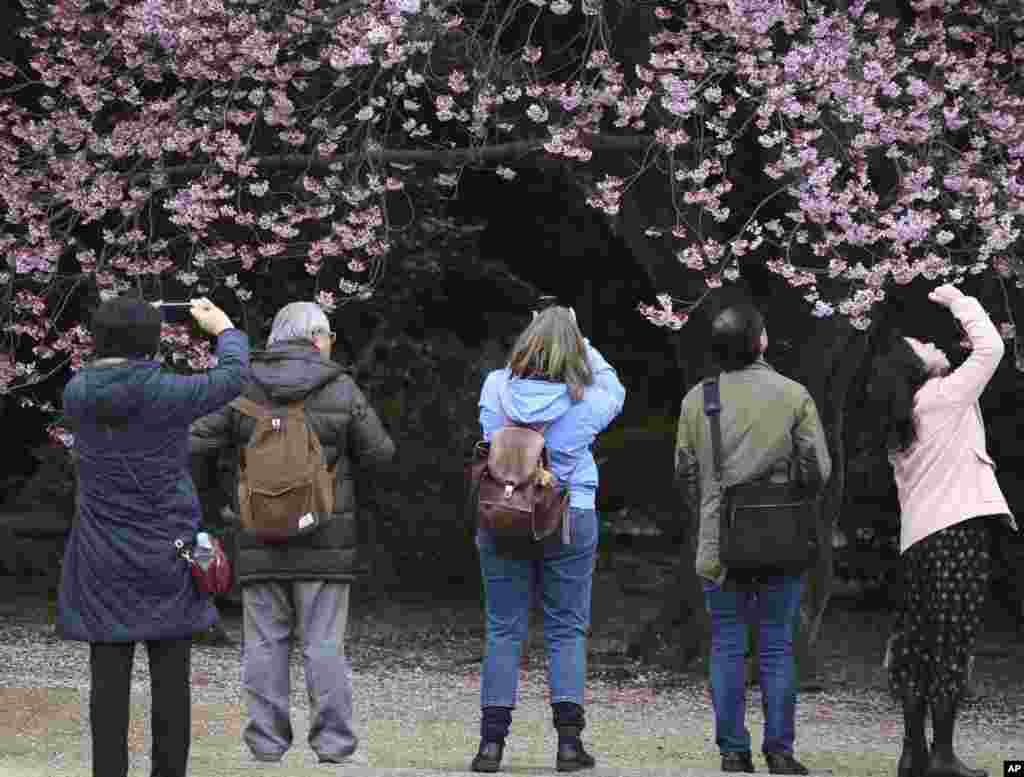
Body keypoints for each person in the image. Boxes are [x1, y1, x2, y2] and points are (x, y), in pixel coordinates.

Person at [189, 301, 395, 766]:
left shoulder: (244, 384)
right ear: (320, 339)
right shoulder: (340, 386)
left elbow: (195, 439)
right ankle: (334, 745)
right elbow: (381, 453)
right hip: (326, 539)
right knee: (324, 646)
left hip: (259, 536)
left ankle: (265, 744)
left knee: (263, 644)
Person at [57, 295, 249, 777]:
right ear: (150, 340)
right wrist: (224, 328)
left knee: (107, 681)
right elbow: (231, 377)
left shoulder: (77, 392)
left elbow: (121, 352)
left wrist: (143, 317)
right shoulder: (168, 392)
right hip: (169, 551)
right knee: (170, 680)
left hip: (100, 555)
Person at [674, 303, 831, 775]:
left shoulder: (697, 399)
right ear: (761, 342)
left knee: (726, 644)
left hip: (718, 540)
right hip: (781, 537)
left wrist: (709, 507)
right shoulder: (793, 394)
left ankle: (733, 752)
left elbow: (684, 472)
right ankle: (780, 752)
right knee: (778, 644)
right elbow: (818, 469)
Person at [870, 284, 1017, 777]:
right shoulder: (942, 398)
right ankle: (944, 756)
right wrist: (959, 301)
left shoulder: (904, 417)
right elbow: (992, 348)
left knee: (916, 643)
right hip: (957, 535)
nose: (933, 346)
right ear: (914, 367)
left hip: (918, 542)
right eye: (922, 347)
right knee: (951, 643)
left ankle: (913, 752)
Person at [471, 305, 625, 773]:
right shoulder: (586, 397)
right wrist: (580, 337)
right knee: (566, 626)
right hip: (569, 514)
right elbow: (615, 388)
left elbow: (488, 435)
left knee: (503, 627)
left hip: (503, 512)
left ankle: (491, 746)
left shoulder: (497, 386)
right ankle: (569, 745)